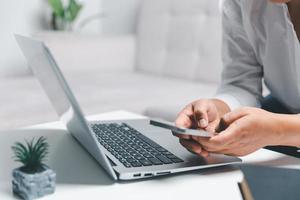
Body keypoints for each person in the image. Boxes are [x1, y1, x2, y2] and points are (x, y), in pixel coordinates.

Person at [174, 0, 300, 157]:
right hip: (286, 107)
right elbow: (241, 83)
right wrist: (218, 109)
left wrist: (278, 130)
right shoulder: (240, 2)